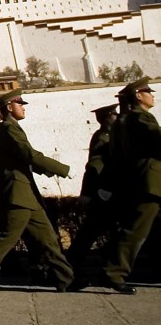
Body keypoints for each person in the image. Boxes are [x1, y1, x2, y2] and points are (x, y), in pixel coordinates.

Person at [0, 90, 76, 297]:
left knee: (48, 239)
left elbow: (24, 159)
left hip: (26, 194)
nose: (24, 108)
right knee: (5, 238)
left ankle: (66, 279)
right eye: (20, 104)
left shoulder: (10, 128)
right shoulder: (9, 129)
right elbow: (30, 155)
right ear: (9, 107)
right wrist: (62, 169)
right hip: (17, 195)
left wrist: (46, 169)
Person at [104, 78, 158, 294]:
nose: (152, 96)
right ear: (138, 95)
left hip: (141, 181)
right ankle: (113, 273)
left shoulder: (123, 121)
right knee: (136, 230)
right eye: (148, 92)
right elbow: (157, 139)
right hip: (150, 182)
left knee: (147, 229)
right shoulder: (141, 117)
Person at [66, 104, 118, 278]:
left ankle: (108, 263)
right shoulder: (103, 137)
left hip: (106, 191)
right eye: (114, 115)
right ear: (107, 118)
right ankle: (71, 263)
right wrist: (89, 191)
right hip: (103, 192)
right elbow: (94, 166)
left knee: (99, 229)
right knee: (91, 230)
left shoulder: (109, 135)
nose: (117, 117)